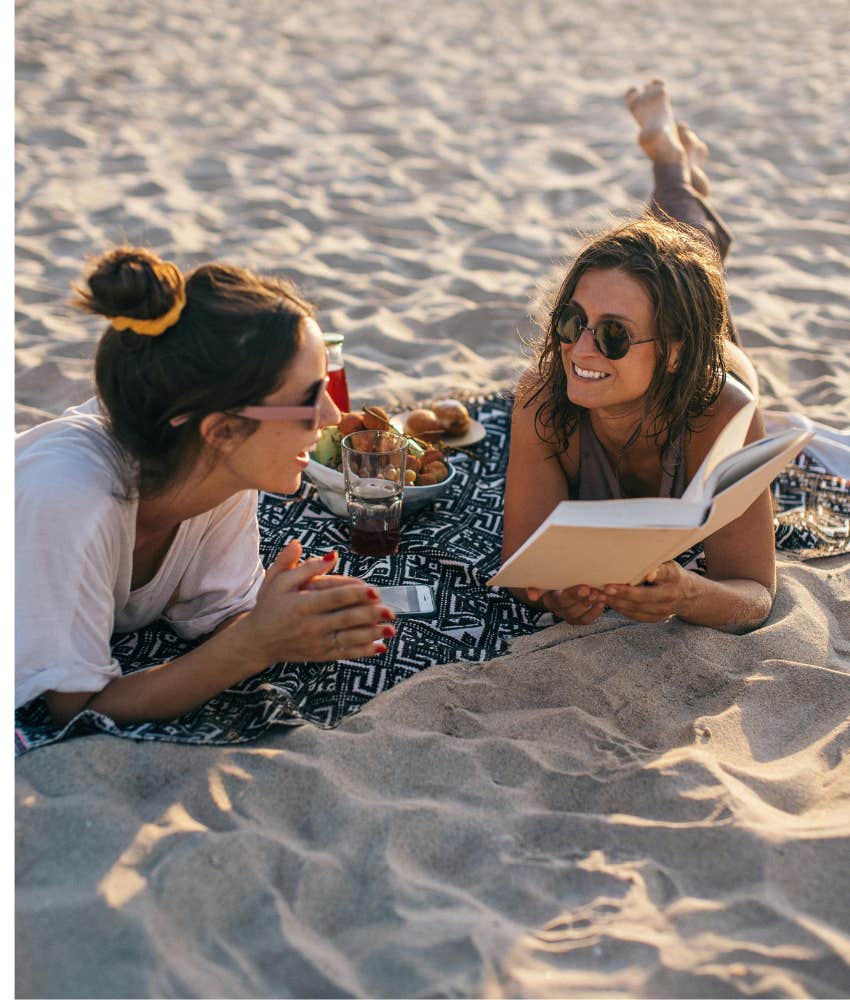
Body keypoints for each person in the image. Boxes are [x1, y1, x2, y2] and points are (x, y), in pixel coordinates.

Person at [16, 248, 397, 724]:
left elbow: (222, 617)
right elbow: (75, 710)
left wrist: (287, 619)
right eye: (308, 399)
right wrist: (254, 644)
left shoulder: (218, 473)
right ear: (220, 431)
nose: (332, 417)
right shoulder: (72, 498)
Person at [502, 80, 775, 633]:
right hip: (674, 336)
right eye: (573, 320)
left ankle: (672, 162)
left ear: (672, 353)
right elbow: (523, 569)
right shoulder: (543, 397)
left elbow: (756, 593)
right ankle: (678, 166)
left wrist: (691, 594)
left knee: (695, 254)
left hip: (715, 357)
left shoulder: (725, 418)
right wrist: (555, 597)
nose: (580, 349)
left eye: (614, 336)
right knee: (679, 256)